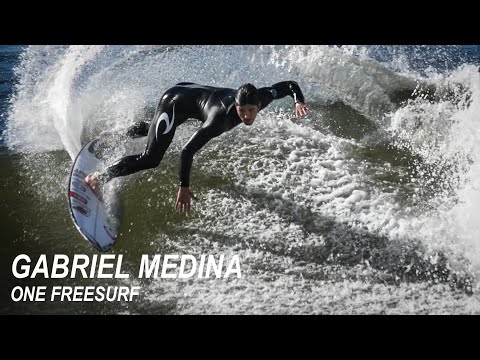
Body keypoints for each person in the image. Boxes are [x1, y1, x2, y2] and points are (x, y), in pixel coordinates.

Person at [86, 81, 309, 212]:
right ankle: (98, 178)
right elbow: (187, 150)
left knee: (158, 128)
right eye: (242, 110)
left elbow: (289, 85)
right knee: (151, 158)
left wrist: (298, 100)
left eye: (251, 110)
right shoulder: (219, 119)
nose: (247, 116)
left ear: (259, 105)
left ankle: (117, 134)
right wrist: (184, 186)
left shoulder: (262, 97)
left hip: (192, 96)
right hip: (176, 100)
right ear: (237, 105)